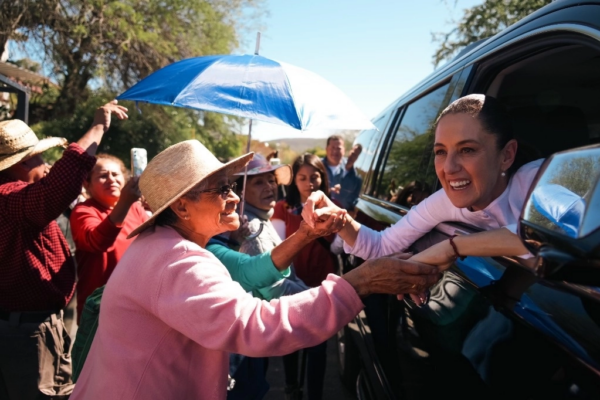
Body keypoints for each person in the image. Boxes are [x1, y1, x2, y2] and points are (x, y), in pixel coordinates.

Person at [70, 139, 440, 400]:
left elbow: (248, 276)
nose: (235, 197)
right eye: (221, 189)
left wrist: (309, 236)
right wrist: (360, 283)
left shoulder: (162, 246)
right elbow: (255, 325)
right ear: (182, 207)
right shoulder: (176, 259)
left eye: (231, 186)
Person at [303, 94, 541, 295]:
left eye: (467, 150)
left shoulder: (538, 182)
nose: (448, 168)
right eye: (440, 152)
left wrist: (453, 247)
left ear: (507, 155)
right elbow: (382, 246)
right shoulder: (444, 202)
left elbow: (548, 238)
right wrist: (339, 218)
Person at [0, 100, 128, 400]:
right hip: (27, 331)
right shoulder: (8, 196)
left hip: (36, 325)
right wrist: (97, 127)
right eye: (40, 158)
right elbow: (57, 188)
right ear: (21, 163)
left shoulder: (16, 199)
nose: (46, 165)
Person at [208, 153, 311, 399]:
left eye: (271, 180)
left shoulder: (260, 222)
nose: (269, 187)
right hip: (247, 340)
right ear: (240, 192)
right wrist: (315, 297)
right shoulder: (252, 229)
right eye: (258, 182)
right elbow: (273, 289)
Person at [271, 153, 341, 400]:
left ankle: (315, 394)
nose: (308, 183)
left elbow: (338, 247)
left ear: (322, 178)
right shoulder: (282, 209)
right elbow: (277, 249)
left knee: (318, 347)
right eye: (302, 177)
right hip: (290, 287)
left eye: (314, 177)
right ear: (294, 181)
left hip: (321, 285)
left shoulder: (333, 209)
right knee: (290, 340)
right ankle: (291, 387)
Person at [70, 153, 148, 323]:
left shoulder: (135, 208)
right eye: (103, 176)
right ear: (87, 184)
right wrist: (124, 203)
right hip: (99, 308)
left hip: (135, 303)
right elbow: (97, 242)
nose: (111, 180)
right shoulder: (84, 211)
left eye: (115, 174)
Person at [322, 135, 363, 212]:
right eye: (332, 148)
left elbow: (354, 204)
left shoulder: (354, 176)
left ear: (344, 150)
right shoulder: (316, 167)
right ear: (326, 149)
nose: (335, 151)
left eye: (338, 148)